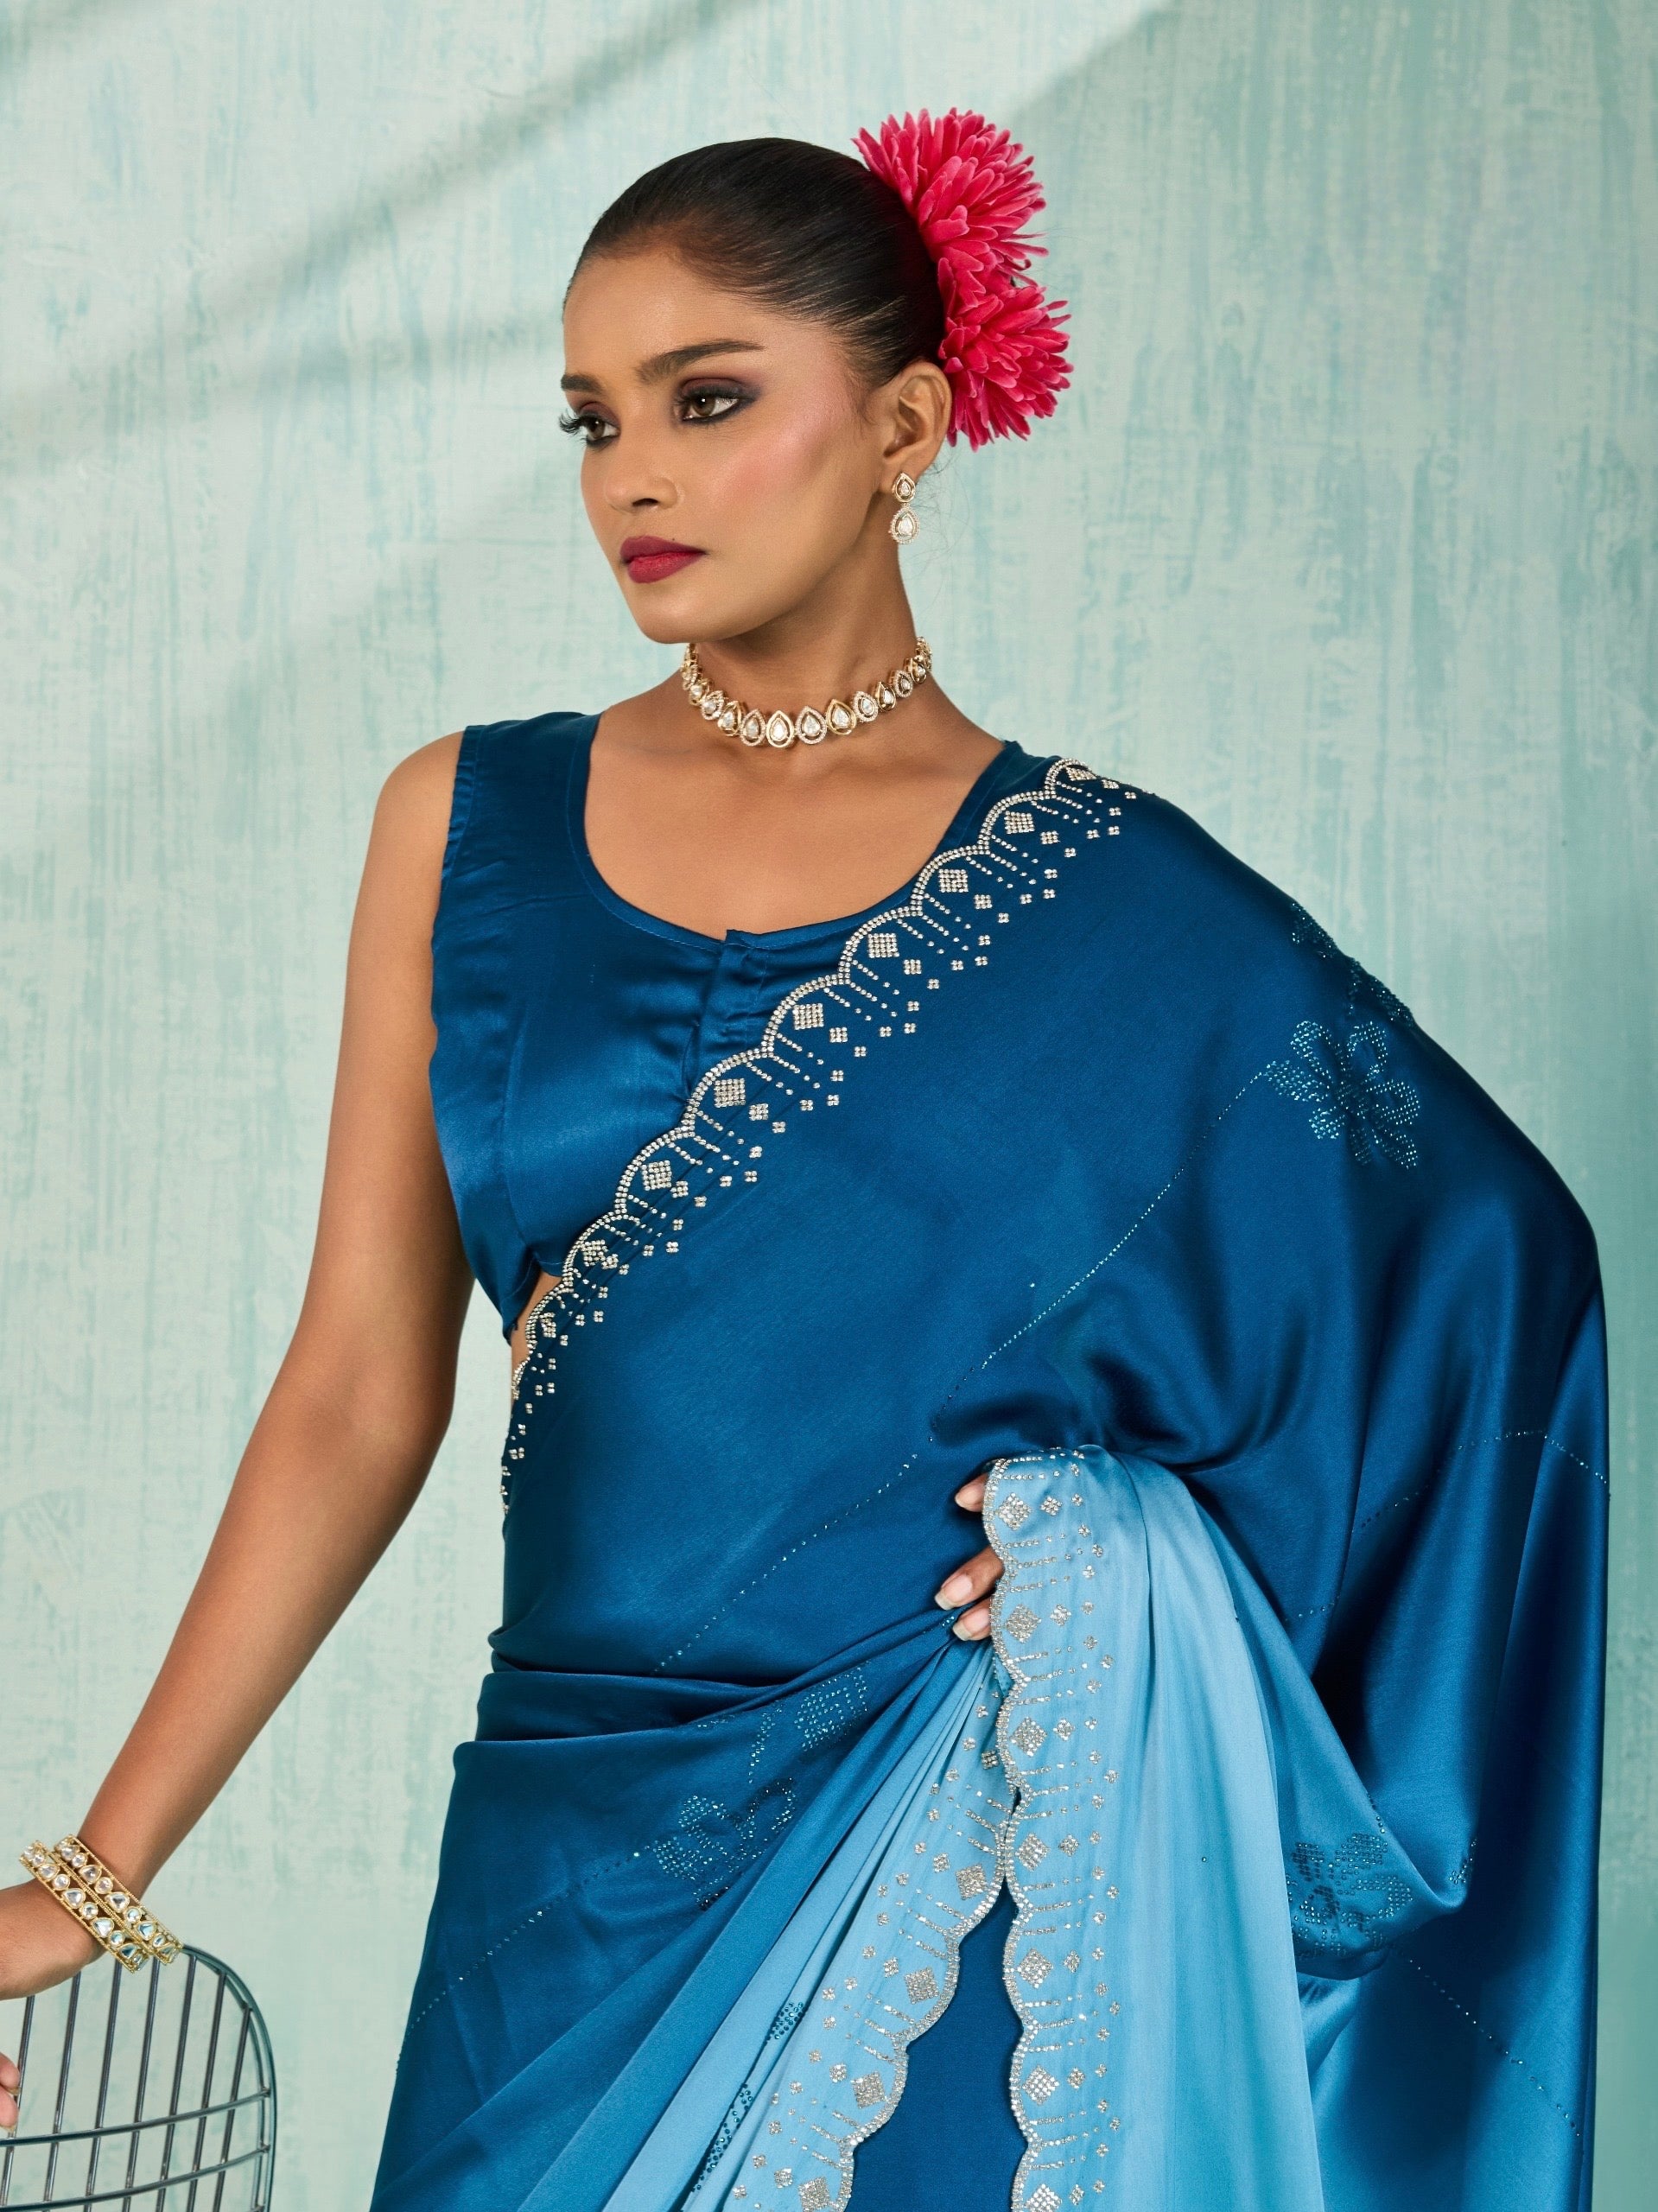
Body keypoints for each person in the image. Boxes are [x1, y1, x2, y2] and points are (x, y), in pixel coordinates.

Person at [0, 111, 1607, 2212]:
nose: (631, 476)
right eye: (592, 419)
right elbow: (358, 1389)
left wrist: (1128, 1549)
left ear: (906, 426)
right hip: (559, 1860)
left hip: (934, 1852)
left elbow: (1493, 1281)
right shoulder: (461, 826)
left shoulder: (1122, 913)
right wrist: (100, 1869)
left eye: (708, 399)